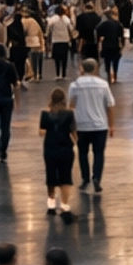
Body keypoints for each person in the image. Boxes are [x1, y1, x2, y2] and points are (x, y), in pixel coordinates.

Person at [68, 58, 115, 191]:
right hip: (100, 125)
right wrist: (111, 125)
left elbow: (70, 106)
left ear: (82, 68)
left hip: (81, 125)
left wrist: (70, 127)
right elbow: (110, 105)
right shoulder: (103, 85)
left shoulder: (75, 85)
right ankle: (97, 178)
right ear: (95, 69)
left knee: (82, 153)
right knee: (99, 153)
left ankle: (85, 178)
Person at [37, 85, 77, 219]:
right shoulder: (69, 113)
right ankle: (65, 206)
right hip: (65, 147)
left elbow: (41, 132)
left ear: (51, 99)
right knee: (66, 177)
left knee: (51, 174)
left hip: (50, 147)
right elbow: (73, 132)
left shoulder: (45, 114)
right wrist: (77, 143)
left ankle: (51, 204)